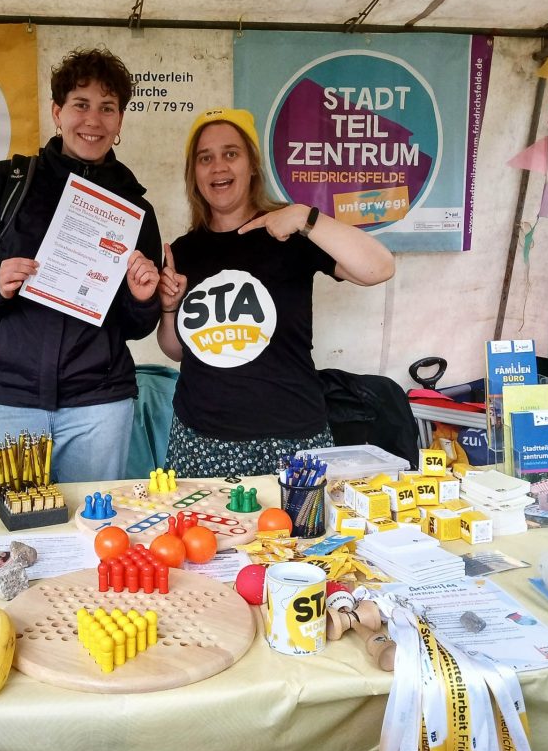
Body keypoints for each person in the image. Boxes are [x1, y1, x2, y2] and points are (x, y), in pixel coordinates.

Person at [0, 47, 162, 487]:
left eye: (107, 108)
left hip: (98, 405)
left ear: (119, 122)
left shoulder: (134, 208)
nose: (92, 121)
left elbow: (136, 326)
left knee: (88, 535)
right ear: (57, 112)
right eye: (81, 105)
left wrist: (142, 298)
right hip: (5, 399)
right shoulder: (9, 182)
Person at [156, 108, 395, 477]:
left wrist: (305, 217)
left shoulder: (290, 234)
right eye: (206, 158)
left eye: (230, 153)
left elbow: (379, 268)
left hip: (292, 437)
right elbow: (176, 350)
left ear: (252, 164)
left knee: (299, 536)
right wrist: (169, 309)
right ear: (195, 173)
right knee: (205, 537)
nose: (218, 167)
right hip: (201, 439)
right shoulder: (184, 251)